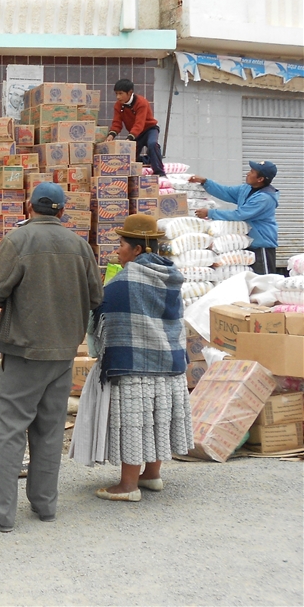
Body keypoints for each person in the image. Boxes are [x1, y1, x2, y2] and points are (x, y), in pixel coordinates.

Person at [0, 183, 103, 532]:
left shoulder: (19, 240)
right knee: (49, 430)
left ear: (30, 207)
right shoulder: (79, 245)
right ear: (62, 211)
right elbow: (95, 296)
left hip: (26, 349)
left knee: (10, 429)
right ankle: (45, 505)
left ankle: (0, 512)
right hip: (63, 353)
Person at [90, 214, 193, 501]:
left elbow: (103, 310)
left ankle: (128, 485)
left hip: (136, 362)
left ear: (138, 249)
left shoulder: (128, 278)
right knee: (158, 419)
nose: (118, 250)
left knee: (135, 422)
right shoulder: (171, 276)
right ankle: (151, 475)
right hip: (169, 360)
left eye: (122, 244)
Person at [188, 161, 280, 275]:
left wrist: (210, 213)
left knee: (263, 281)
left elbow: (239, 215)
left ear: (260, 179)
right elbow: (226, 192)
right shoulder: (247, 189)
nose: (247, 173)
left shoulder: (265, 198)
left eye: (252, 172)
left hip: (261, 245)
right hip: (245, 243)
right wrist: (205, 182)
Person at [106, 78, 166, 178]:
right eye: (116, 94)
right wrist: (111, 135)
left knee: (152, 144)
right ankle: (148, 159)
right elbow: (117, 123)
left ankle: (160, 173)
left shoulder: (142, 103)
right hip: (136, 134)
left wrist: (129, 138)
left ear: (130, 93)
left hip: (149, 129)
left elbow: (139, 124)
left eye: (121, 93)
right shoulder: (118, 106)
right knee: (129, 157)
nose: (118, 97)